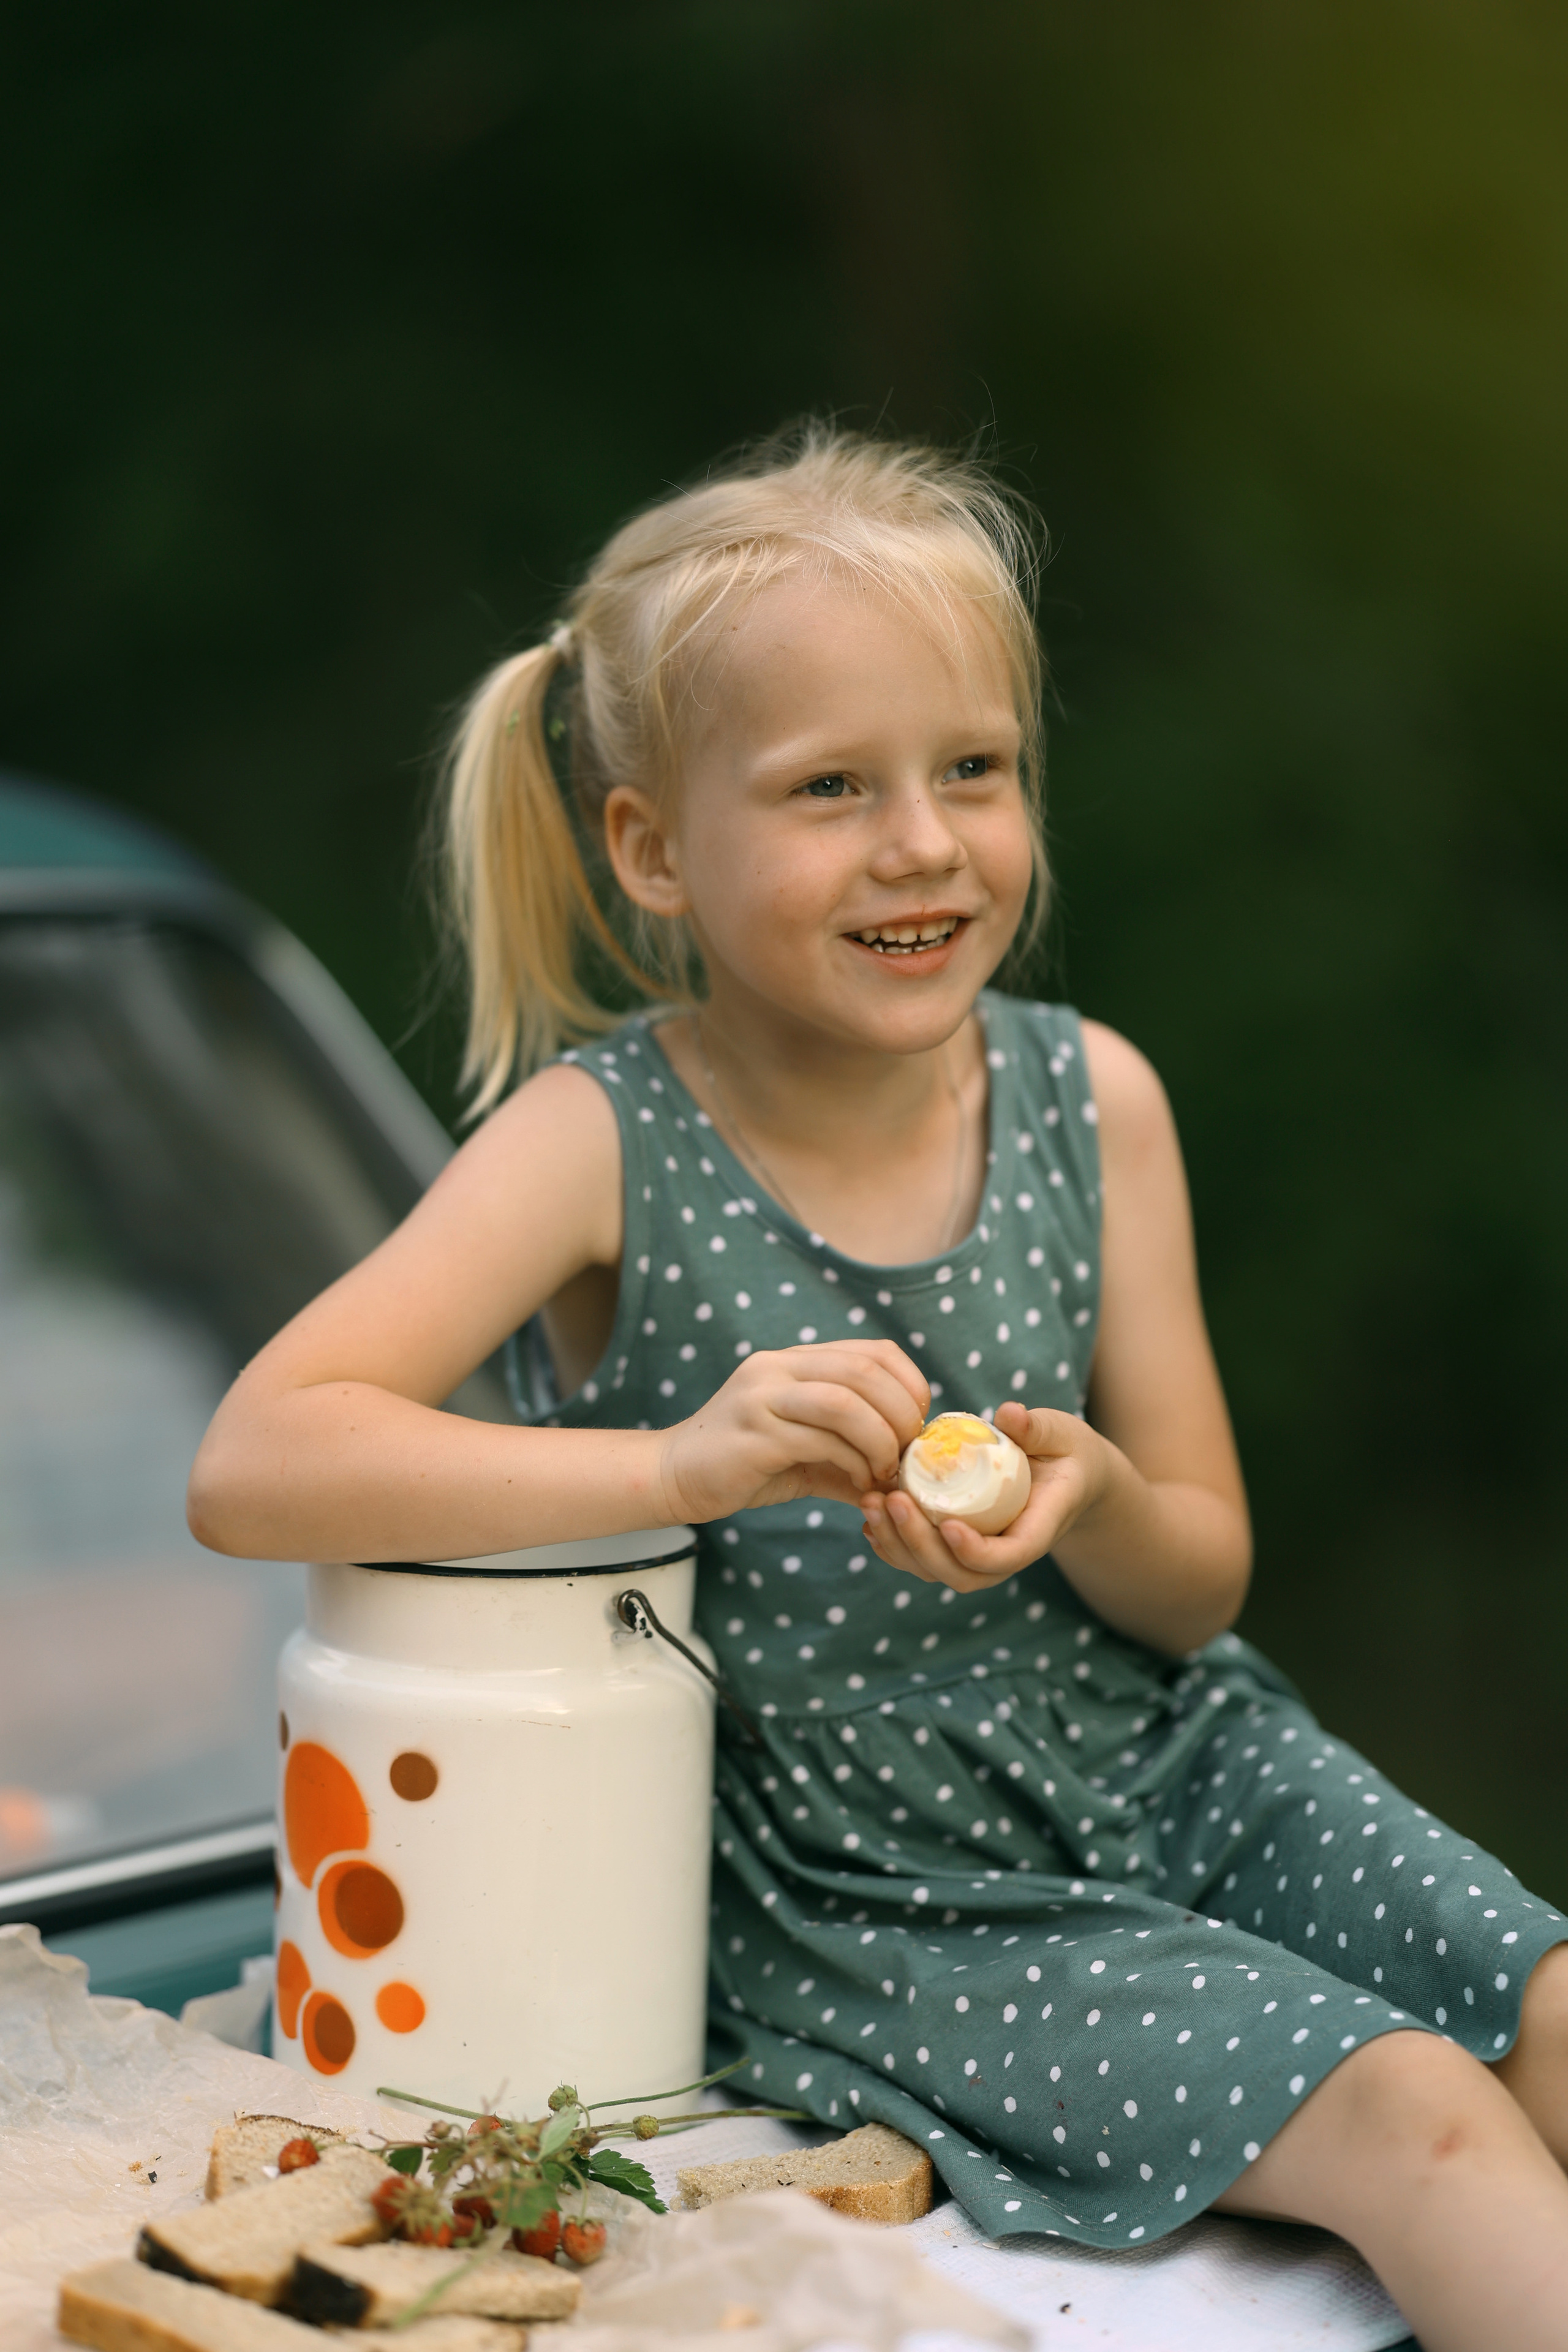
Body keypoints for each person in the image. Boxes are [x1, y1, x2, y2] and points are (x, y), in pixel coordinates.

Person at [190, 425, 1568, 2350]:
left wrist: (1087, 1504)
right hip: (862, 1875)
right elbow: (258, 1461)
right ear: (655, 849)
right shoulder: (602, 1142)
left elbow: (1202, 1584)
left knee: (1557, 2025)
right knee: (1419, 2120)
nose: (921, 841)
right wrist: (680, 1460)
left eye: (973, 771)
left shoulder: (1099, 1099)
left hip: (1175, 1758)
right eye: (830, 786)